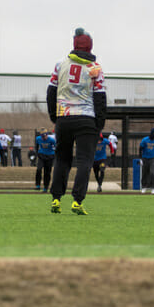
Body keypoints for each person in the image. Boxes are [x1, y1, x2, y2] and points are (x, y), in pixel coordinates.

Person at [47, 27, 107, 215]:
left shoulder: (60, 64)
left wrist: (54, 116)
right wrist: (99, 124)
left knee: (62, 158)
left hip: (64, 117)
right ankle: (77, 201)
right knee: (84, 160)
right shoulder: (94, 68)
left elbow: (51, 92)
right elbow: (100, 97)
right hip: (86, 118)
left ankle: (56, 198)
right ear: (90, 47)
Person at [139, 128, 154, 194]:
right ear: (152, 133)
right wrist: (140, 158)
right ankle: (144, 187)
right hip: (145, 158)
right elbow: (140, 149)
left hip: (153, 158)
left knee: (152, 172)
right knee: (144, 173)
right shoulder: (145, 140)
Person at [34, 127, 56, 192]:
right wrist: (37, 154)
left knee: (47, 172)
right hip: (41, 155)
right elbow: (37, 146)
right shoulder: (38, 139)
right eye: (42, 136)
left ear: (47, 135)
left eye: (45, 136)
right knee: (39, 169)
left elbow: (55, 148)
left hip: (49, 157)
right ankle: (37, 185)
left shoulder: (51, 140)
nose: (44, 138)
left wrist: (53, 155)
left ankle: (45, 187)